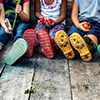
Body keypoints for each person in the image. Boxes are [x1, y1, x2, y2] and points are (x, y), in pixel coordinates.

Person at [0, 0, 30, 65]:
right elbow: (2, 16)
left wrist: (21, 12)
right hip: (8, 22)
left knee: (21, 31)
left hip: (21, 22)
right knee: (1, 34)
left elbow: (26, 18)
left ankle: (18, 49)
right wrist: (5, 27)